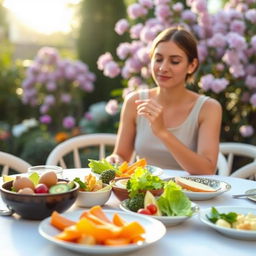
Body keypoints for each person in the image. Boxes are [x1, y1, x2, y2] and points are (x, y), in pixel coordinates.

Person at [106, 26, 222, 175]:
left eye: (174, 61)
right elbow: (121, 156)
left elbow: (207, 170)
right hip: (145, 193)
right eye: (158, 59)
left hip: (190, 195)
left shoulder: (208, 108)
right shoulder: (134, 102)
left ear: (191, 66)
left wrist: (162, 132)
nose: (163, 68)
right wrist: (114, 159)